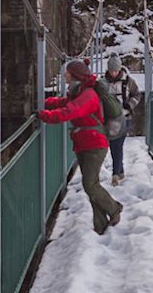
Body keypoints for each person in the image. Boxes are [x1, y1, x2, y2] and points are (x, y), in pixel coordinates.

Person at [39, 60, 122, 235]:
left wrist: (45, 116)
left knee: (90, 184)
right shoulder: (78, 91)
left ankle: (114, 209)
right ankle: (100, 225)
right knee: (91, 184)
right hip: (84, 143)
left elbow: (69, 111)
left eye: (67, 72)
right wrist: (46, 103)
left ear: (75, 75)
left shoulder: (88, 95)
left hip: (94, 144)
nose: (64, 75)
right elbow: (65, 103)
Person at [101, 56, 140, 184]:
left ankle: (115, 175)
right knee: (114, 146)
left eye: (116, 70)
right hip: (110, 120)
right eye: (111, 70)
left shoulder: (128, 81)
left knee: (117, 144)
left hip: (124, 117)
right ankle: (120, 171)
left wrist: (130, 104)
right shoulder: (103, 83)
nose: (114, 73)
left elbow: (137, 94)